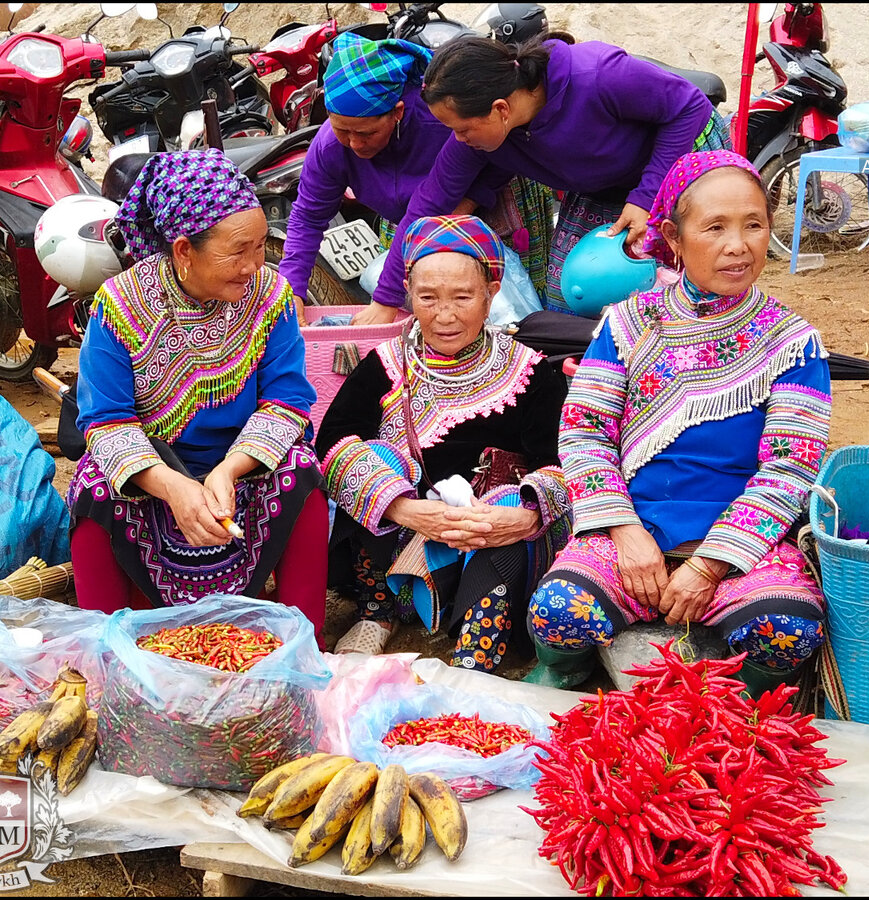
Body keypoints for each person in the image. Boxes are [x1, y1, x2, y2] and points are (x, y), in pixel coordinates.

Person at [524, 150, 832, 691]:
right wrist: (624, 533)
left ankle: (747, 709)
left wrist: (710, 565)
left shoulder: (791, 340)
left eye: (754, 225)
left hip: (741, 537)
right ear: (673, 235)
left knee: (787, 628)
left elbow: (790, 467)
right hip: (633, 524)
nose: (738, 246)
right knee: (558, 613)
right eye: (715, 227)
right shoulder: (629, 322)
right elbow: (584, 430)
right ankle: (566, 677)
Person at [67, 149, 330, 639]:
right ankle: (103, 653)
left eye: (260, 247)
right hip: (153, 474)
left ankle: (304, 645)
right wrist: (173, 486)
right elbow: (106, 422)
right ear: (184, 249)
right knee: (94, 487)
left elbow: (287, 401)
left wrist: (229, 471)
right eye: (238, 251)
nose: (255, 265)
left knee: (302, 475)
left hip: (244, 471)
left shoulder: (270, 297)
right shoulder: (120, 304)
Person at [315, 215, 570, 671]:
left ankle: (476, 650)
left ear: (491, 296)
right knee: (371, 456)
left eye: (462, 297)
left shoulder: (532, 372)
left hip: (491, 542)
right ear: (409, 296)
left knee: (513, 498)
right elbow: (331, 443)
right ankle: (379, 613)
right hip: (400, 543)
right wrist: (402, 508)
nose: (445, 315)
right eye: (428, 298)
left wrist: (520, 514)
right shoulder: (386, 365)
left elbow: (562, 461)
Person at [353, 34, 728, 323]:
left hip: (681, 161)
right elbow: (426, 206)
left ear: (500, 109)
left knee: (690, 286)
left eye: (463, 129)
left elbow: (689, 107)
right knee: (572, 294)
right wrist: (385, 300)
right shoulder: (483, 137)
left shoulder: (597, 74)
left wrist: (646, 197)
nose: (458, 140)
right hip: (602, 184)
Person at [279, 32, 553, 324]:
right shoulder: (330, 148)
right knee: (429, 320)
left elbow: (502, 147)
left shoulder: (441, 119)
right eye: (341, 130)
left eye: (366, 133)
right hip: (409, 227)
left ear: (397, 112)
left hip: (492, 208)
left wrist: (470, 202)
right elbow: (308, 218)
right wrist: (292, 290)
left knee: (508, 315)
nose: (354, 143)